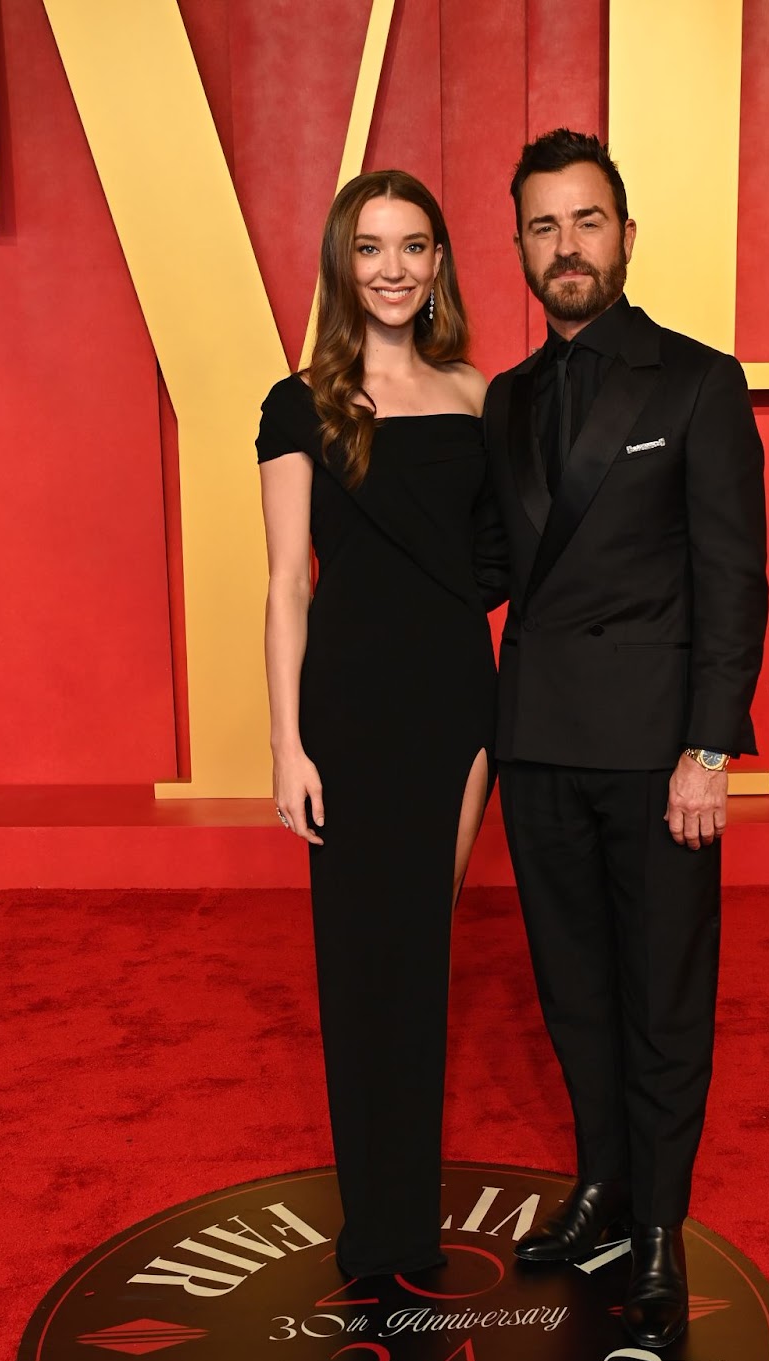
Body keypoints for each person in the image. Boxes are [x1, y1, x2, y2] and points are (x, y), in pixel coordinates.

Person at [484, 130, 768, 1349]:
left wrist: (708, 749)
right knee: (574, 992)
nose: (566, 247)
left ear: (626, 234)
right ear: (519, 252)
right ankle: (600, 1185)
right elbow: (492, 565)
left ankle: (658, 1221)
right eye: (543, 228)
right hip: (537, 741)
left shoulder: (698, 381)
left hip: (658, 757)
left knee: (661, 998)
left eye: (585, 221)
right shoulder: (504, 398)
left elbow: (733, 578)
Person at [256, 171, 500, 1280]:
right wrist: (284, 745)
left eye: (413, 246)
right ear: (339, 265)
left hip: (457, 699)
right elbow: (284, 583)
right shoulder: (297, 401)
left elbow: (499, 561)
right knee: (362, 968)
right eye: (370, 248)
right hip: (348, 712)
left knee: (423, 956)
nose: (393, 268)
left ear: (440, 261)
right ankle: (379, 1231)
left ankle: (416, 1214)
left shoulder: (475, 394)